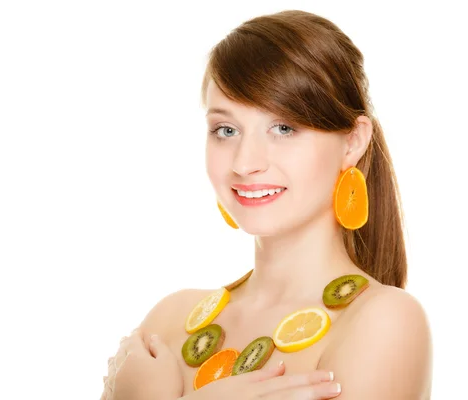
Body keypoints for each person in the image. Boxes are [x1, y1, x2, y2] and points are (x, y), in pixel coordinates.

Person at [101, 9, 432, 400]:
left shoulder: (384, 321)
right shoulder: (170, 318)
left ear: (352, 141)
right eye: (226, 130)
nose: (244, 163)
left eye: (284, 128)